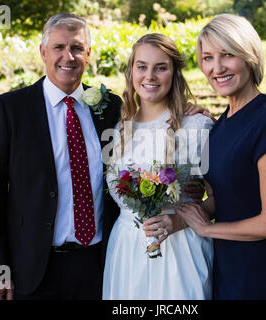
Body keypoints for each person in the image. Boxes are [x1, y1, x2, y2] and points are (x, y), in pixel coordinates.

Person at [0, 13, 206, 300]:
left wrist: (188, 113)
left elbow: (152, 123)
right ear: (43, 52)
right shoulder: (11, 109)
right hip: (33, 266)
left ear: (88, 53)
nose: (67, 57)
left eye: (76, 48)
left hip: (98, 262)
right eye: (58, 47)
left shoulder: (111, 109)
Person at [177, 14, 266, 299]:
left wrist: (207, 229)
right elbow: (226, 196)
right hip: (225, 265)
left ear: (249, 56)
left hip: (257, 271)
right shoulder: (220, 123)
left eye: (227, 55)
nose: (216, 68)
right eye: (207, 58)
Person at [102, 33, 214, 299]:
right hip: (127, 250)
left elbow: (222, 198)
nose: (149, 76)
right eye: (142, 66)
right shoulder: (119, 127)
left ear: (174, 73)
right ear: (131, 71)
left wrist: (179, 220)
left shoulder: (197, 126)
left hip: (181, 251)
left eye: (160, 68)